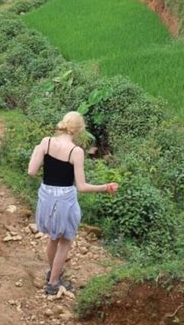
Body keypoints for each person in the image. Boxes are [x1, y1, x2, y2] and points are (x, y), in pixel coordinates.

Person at [28, 111, 118, 295]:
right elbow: (82, 186)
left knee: (53, 237)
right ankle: (53, 282)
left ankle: (53, 273)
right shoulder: (75, 152)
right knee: (66, 241)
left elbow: (31, 171)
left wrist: (38, 149)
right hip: (64, 201)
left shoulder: (46, 142)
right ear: (78, 130)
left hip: (46, 196)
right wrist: (105, 187)